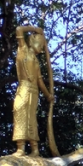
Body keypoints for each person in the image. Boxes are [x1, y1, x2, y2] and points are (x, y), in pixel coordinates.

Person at [12, 26, 53, 157]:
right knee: (20, 115)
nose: (41, 49)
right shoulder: (23, 50)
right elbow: (18, 30)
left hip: (34, 92)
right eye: (40, 45)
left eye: (42, 46)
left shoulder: (36, 61)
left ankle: (35, 149)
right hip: (23, 89)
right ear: (33, 41)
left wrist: (48, 95)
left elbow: (40, 81)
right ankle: (21, 148)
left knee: (32, 118)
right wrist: (36, 29)